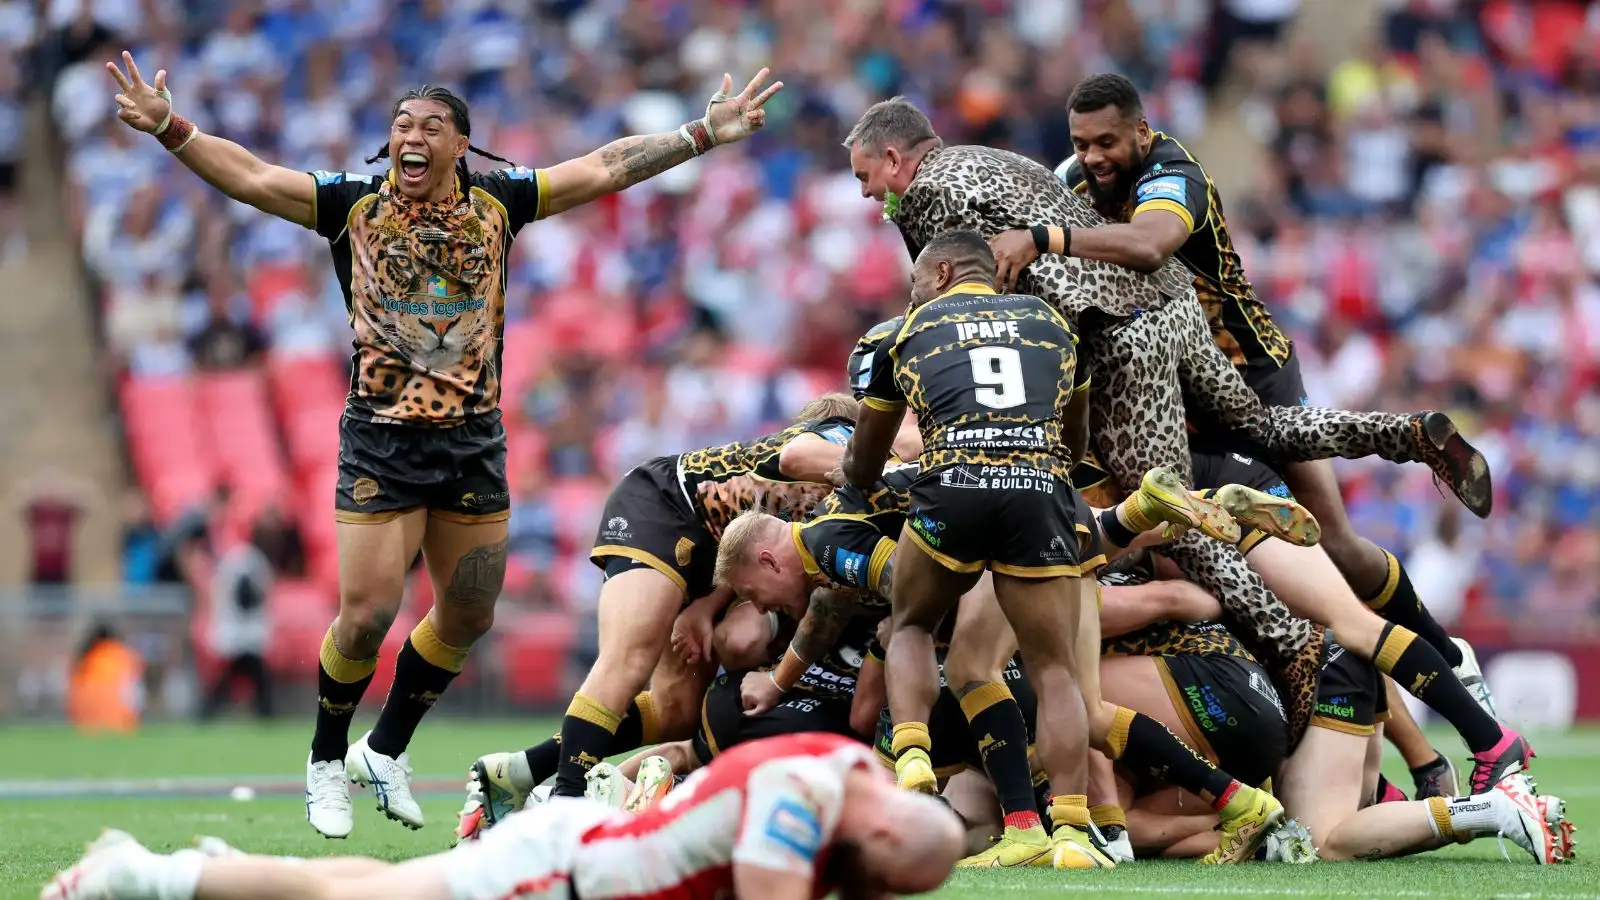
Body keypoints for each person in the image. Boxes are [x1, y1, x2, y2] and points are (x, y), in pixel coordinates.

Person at [104, 51, 783, 838]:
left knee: (467, 615)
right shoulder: (352, 203)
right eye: (400, 125)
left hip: (471, 447)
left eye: (430, 126)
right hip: (380, 445)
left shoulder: (500, 201)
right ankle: (327, 759)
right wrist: (170, 129)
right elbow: (255, 178)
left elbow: (601, 169)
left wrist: (701, 133)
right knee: (366, 618)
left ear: (462, 145)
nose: (411, 136)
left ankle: (384, 750)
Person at [840, 95, 1490, 744]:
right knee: (1262, 430)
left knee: (1167, 511)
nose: (869, 193)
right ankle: (1402, 433)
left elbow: (960, 310)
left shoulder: (926, 195)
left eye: (867, 176)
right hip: (1169, 303)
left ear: (896, 158)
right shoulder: (985, 159)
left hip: (1117, 336)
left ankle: (1291, 646)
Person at [839, 230, 1283, 867]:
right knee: (1059, 681)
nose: (910, 292)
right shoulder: (1051, 324)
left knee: (912, 624)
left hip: (955, 490)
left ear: (939, 274)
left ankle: (913, 762)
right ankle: (1072, 831)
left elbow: (868, 455)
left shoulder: (906, 330)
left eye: (914, 280)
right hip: (1046, 499)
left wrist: (860, 479)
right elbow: (1073, 445)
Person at [456, 396, 884, 840]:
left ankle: (523, 771)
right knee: (629, 660)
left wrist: (707, 606)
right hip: (664, 505)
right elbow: (781, 503)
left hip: (719, 552)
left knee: (676, 709)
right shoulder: (841, 456)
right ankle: (562, 815)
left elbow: (755, 538)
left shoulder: (817, 502)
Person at [40, 733, 966, 900]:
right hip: (559, 879)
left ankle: (167, 874)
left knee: (362, 888)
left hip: (580, 862)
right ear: (882, 834)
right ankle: (144, 876)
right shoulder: (798, 802)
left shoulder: (853, 772)